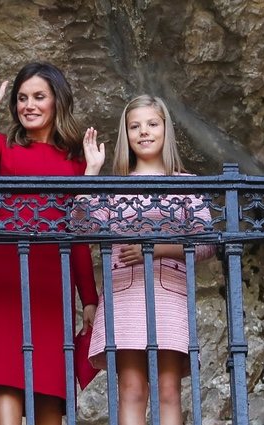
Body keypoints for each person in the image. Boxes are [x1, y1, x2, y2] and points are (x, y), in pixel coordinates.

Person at [0, 62, 99, 425]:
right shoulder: (3, 144)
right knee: (5, 382)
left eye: (39, 96)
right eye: (22, 98)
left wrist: (89, 298)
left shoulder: (76, 159)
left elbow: (80, 231)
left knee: (50, 394)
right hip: (7, 279)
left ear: (57, 101)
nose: (29, 105)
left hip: (52, 285)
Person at [81, 94, 216, 424]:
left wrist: (155, 249)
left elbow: (207, 243)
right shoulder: (114, 188)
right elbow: (83, 225)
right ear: (126, 134)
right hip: (125, 297)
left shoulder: (186, 185)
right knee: (131, 389)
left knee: (168, 390)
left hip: (168, 295)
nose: (144, 132)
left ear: (166, 129)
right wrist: (90, 173)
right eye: (135, 126)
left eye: (152, 124)